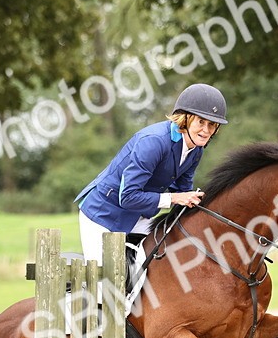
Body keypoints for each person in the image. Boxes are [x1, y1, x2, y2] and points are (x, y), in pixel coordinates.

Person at [75, 83, 228, 263]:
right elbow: (128, 196)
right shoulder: (153, 142)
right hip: (103, 216)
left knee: (165, 261)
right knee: (106, 286)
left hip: (138, 217)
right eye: (201, 122)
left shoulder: (196, 150)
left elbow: (183, 191)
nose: (206, 130)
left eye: (212, 125)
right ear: (185, 119)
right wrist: (174, 199)